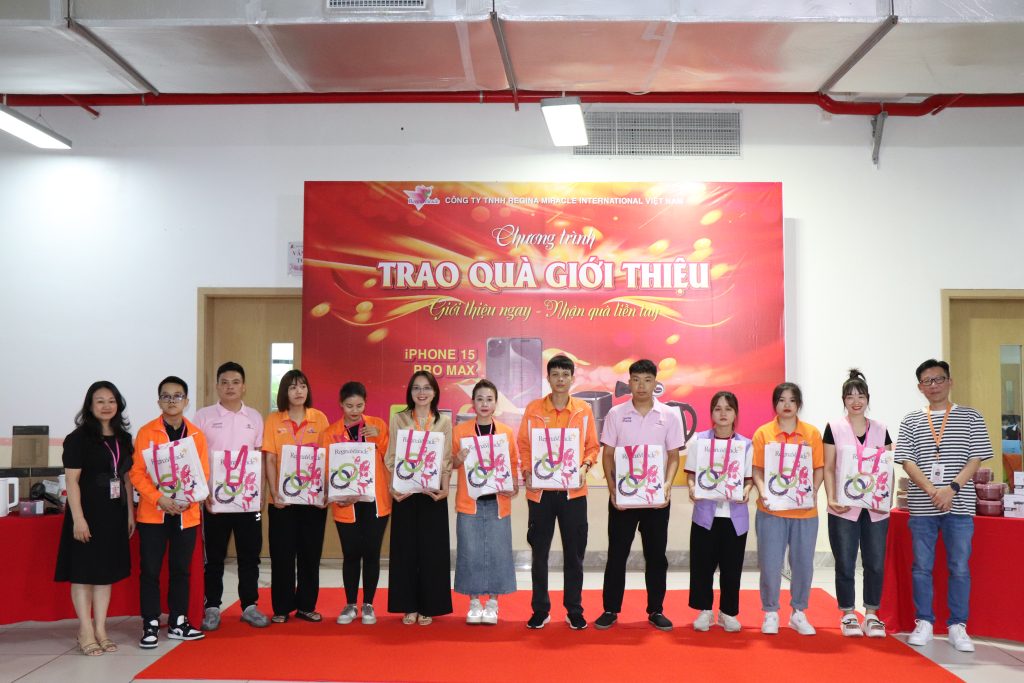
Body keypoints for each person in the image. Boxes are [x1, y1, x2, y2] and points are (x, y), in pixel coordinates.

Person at [895, 359, 993, 652]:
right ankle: (924, 622)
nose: (934, 385)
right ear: (919, 387)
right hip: (922, 507)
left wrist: (951, 489)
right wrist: (931, 491)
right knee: (921, 567)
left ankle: (957, 626)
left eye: (939, 379)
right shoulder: (911, 420)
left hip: (959, 505)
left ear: (950, 381)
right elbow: (907, 460)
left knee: (959, 567)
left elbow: (975, 458)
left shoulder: (971, 417)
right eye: (927, 381)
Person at [593, 360, 682, 632]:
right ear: (629, 382)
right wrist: (612, 489)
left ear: (656, 383)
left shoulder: (669, 415)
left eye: (647, 380)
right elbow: (608, 455)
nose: (641, 385)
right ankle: (610, 609)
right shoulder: (616, 414)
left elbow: (673, 456)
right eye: (636, 379)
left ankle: (656, 610)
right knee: (617, 555)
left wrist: (667, 485)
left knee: (656, 557)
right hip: (624, 498)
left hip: (656, 500)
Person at [517, 354, 600, 630]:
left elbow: (592, 447)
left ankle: (574, 609)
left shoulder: (583, 410)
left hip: (573, 493)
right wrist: (527, 471)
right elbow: (524, 445)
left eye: (565, 374)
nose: (560, 379)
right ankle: (540, 609)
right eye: (555, 374)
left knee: (574, 554)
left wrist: (585, 466)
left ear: (572, 378)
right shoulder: (533, 409)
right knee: (539, 554)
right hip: (540, 494)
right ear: (548, 378)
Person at [55, 381, 136, 656]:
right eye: (100, 401)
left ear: (118, 405)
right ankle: (85, 630)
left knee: (104, 575)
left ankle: (101, 629)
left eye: (111, 401)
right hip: (86, 513)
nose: (106, 406)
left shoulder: (123, 438)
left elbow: (126, 478)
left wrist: (130, 513)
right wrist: (78, 519)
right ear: (90, 405)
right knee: (84, 573)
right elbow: (72, 481)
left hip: (114, 514)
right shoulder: (78, 438)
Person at [129, 375, 209, 648]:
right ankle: (150, 623)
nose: (171, 401)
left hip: (187, 513)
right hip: (153, 513)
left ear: (186, 401)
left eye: (177, 396)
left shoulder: (196, 435)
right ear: (158, 401)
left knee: (181, 570)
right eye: (166, 396)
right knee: (150, 570)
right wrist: (158, 499)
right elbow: (137, 473)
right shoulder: (146, 432)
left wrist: (188, 499)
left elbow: (203, 473)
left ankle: (178, 621)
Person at [194, 361, 268, 630]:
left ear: (244, 386)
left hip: (247, 500)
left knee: (250, 555)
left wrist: (261, 492)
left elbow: (259, 458)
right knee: (214, 557)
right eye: (224, 382)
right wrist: (203, 491)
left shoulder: (255, 418)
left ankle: (249, 606)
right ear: (217, 386)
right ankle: (212, 606)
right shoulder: (203, 416)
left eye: (235, 382)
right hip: (215, 500)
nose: (230, 387)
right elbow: (196, 457)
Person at [823, 369, 893, 638]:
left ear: (868, 399)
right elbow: (829, 467)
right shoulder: (834, 428)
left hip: (875, 509)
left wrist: (885, 499)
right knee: (845, 561)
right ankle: (848, 613)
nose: (856, 401)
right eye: (850, 396)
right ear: (843, 400)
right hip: (843, 507)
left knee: (875, 562)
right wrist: (831, 497)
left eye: (860, 396)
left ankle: (872, 614)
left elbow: (887, 467)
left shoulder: (881, 429)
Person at [751, 382, 824, 636]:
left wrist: (814, 491)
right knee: (770, 563)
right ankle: (771, 611)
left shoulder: (812, 434)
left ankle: (798, 612)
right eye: (782, 400)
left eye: (792, 400)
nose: (787, 405)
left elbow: (818, 468)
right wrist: (763, 491)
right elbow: (757, 470)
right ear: (775, 404)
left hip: (804, 512)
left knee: (803, 564)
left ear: (799, 404)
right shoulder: (763, 433)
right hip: (771, 511)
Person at [385, 370, 453, 625]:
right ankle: (408, 605)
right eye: (416, 388)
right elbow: (391, 456)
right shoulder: (399, 419)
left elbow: (446, 459)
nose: (421, 393)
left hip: (432, 494)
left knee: (432, 552)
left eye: (426, 388)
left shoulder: (443, 422)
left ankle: (429, 606)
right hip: (405, 493)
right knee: (405, 551)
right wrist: (393, 487)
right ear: (410, 392)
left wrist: (445, 488)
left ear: (435, 392)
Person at [262, 369, 330, 624]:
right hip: (283, 501)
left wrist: (326, 491)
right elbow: (270, 459)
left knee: (310, 555)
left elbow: (326, 459)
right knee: (282, 555)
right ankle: (281, 607)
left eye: (302, 386)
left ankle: (306, 606)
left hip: (313, 501)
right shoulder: (274, 420)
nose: (298, 391)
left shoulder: (319, 418)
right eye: (292, 387)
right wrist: (274, 492)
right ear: (284, 392)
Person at [320, 381, 391, 626]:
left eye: (359, 405)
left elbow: (390, 458)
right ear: (341, 404)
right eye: (349, 406)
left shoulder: (377, 425)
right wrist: (340, 493)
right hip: (345, 503)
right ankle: (350, 604)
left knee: (372, 553)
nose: (354, 410)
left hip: (375, 501)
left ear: (365, 404)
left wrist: (378, 438)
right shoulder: (330, 432)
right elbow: (327, 467)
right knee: (350, 553)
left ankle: (368, 604)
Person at [683, 391, 753, 633]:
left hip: (735, 517)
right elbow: (691, 475)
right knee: (702, 565)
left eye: (728, 409)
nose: (723, 413)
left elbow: (748, 479)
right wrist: (692, 487)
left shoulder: (745, 445)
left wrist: (747, 490)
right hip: (705, 515)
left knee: (732, 568)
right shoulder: (699, 442)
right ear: (711, 413)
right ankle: (705, 610)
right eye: (717, 409)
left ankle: (727, 612)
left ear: (735, 413)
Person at [452, 379, 520, 625]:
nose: (484, 404)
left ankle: (492, 603)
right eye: (479, 399)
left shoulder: (505, 432)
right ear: (472, 403)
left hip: (498, 501)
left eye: (489, 399)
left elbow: (513, 463)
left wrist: (513, 484)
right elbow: (450, 463)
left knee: (498, 552)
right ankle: (473, 603)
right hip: (469, 501)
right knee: (470, 551)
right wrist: (458, 459)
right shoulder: (460, 431)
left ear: (495, 403)